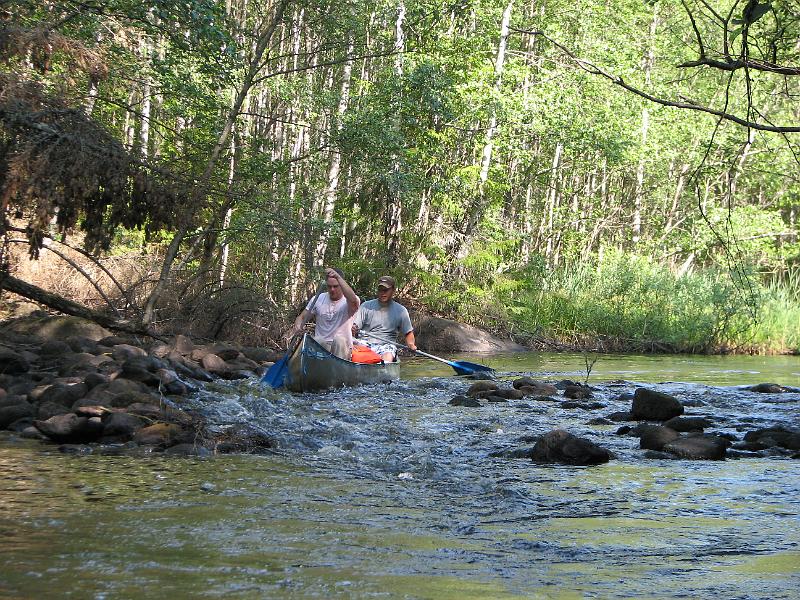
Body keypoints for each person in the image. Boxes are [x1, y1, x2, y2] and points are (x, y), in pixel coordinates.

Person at [287, 267, 360, 360]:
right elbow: (302, 317)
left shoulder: (349, 301)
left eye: (335, 286)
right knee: (316, 340)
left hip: (342, 348)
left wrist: (338, 277)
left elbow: (353, 300)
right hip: (322, 346)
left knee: (339, 341)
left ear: (341, 284)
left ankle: (337, 371)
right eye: (329, 286)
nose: (332, 289)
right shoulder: (318, 298)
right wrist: (298, 325)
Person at [352, 275, 416, 362]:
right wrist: (353, 329)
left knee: (388, 355)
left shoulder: (401, 311)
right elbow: (355, 327)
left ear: (393, 290)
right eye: (380, 290)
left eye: (386, 290)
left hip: (386, 345)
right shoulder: (365, 306)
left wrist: (411, 344)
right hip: (364, 342)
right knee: (349, 347)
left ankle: (383, 372)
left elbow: (408, 333)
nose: (383, 293)